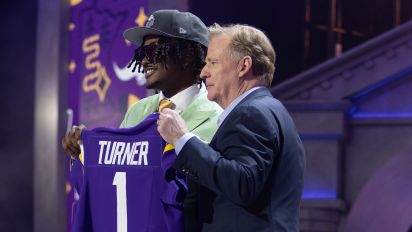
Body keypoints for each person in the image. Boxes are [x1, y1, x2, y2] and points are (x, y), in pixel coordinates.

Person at [62, 10, 222, 232]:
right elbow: (117, 180)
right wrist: (84, 152)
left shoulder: (218, 117)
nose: (144, 60)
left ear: (186, 55)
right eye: (141, 53)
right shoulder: (137, 111)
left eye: (153, 50)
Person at [157, 23, 305, 231]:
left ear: (243, 66)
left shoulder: (251, 113)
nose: (203, 73)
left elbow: (242, 184)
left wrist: (182, 139)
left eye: (213, 62)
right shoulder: (266, 109)